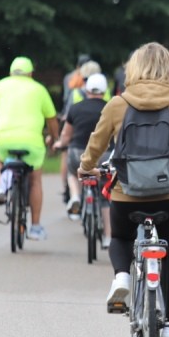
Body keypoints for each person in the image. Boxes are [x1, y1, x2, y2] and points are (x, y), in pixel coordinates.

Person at [79, 42, 169, 337]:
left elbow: (96, 145)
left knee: (120, 237)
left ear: (132, 70)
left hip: (127, 194)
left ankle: (122, 275)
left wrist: (86, 168)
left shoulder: (117, 105)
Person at [0, 56, 59, 241]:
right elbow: (52, 121)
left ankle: (2, 185)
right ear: (31, 73)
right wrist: (53, 138)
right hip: (32, 144)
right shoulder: (39, 89)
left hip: (5, 141)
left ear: (10, 72)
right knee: (35, 179)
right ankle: (35, 227)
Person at [54, 73, 112, 245]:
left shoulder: (75, 108)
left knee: (72, 171)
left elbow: (66, 135)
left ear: (86, 90)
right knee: (105, 195)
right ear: (104, 91)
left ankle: (76, 196)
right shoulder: (111, 108)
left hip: (78, 154)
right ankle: (108, 237)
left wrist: (59, 144)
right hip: (103, 155)